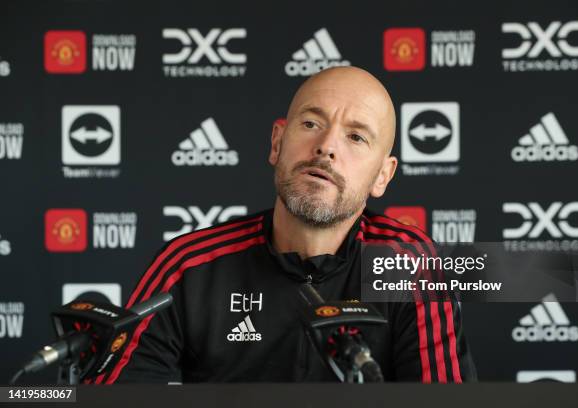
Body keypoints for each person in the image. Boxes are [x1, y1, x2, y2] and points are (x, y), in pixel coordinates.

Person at [98, 66, 476, 384]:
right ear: (277, 142)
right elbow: (116, 397)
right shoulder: (188, 265)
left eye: (356, 137)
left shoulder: (410, 265)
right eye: (311, 123)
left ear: (382, 175)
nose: (326, 146)